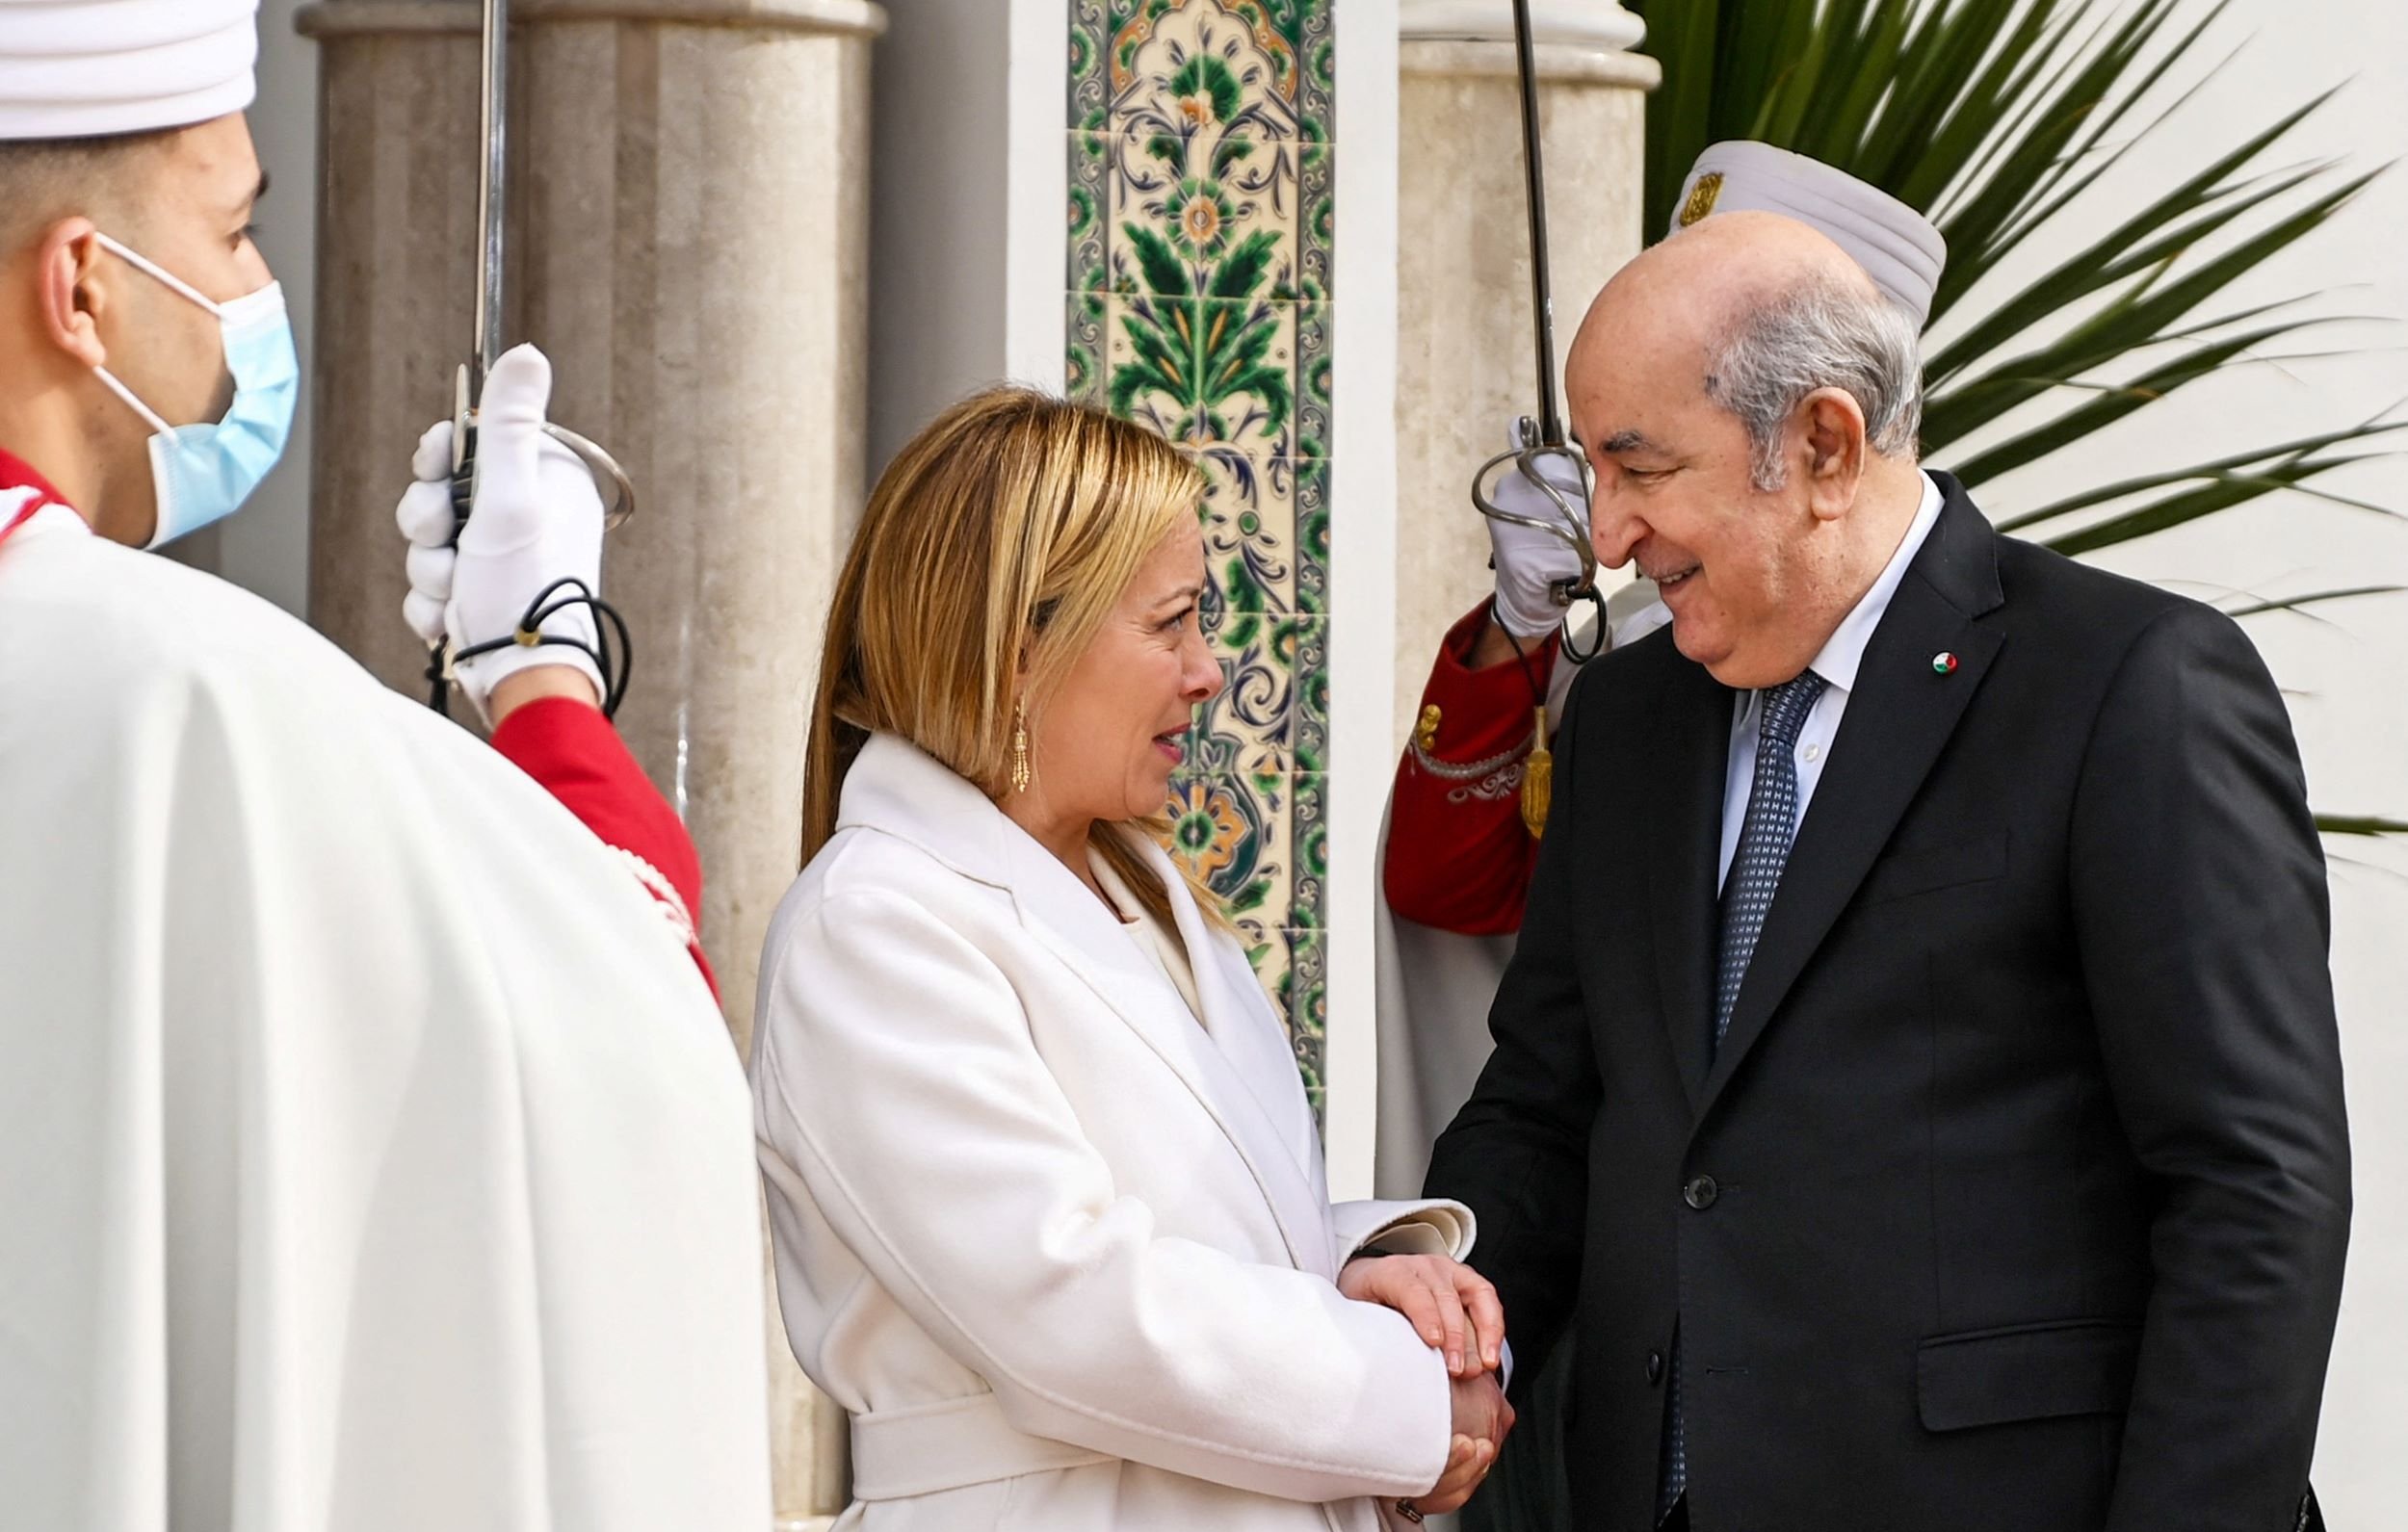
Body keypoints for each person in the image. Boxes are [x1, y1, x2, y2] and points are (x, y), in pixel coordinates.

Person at [1424, 205, 2351, 1530]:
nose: (1609, 535)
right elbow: (1544, 1106)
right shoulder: (1626, 721)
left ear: (1822, 444)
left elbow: (2255, 1187)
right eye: (1596, 475)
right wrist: (1438, 1297)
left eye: (1642, 468)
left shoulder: (2130, 685)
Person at [0, 4, 771, 1525]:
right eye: (233, 233)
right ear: (82, 286)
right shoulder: (194, 701)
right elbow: (631, 1038)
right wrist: (541, 666)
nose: (254, 293)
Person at [751, 387, 1513, 1531]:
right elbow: (1070, 1310)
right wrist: (1408, 1396)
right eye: (1171, 623)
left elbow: (1201, 1222)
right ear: (1019, 644)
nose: (1207, 671)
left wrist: (1366, 1272)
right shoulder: (870, 923)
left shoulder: (1152, 894)